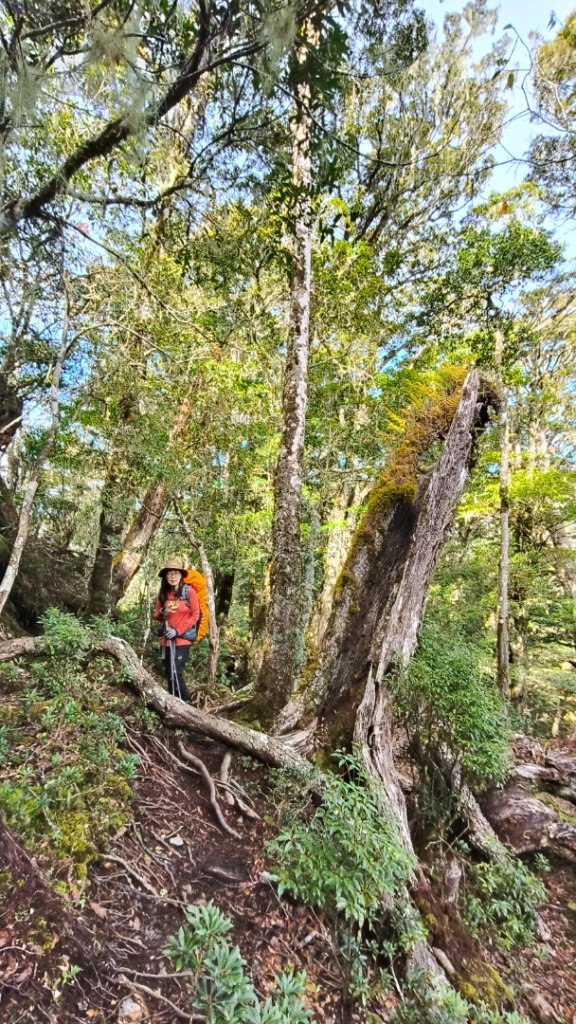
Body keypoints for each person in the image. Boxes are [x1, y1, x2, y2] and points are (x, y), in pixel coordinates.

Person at [154, 557, 200, 703]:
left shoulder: (189, 592)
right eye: (169, 573)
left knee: (176, 671)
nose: (173, 576)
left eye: (176, 573)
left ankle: (187, 705)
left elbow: (195, 615)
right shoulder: (164, 594)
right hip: (166, 640)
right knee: (169, 674)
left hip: (182, 639)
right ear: (165, 576)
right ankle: (173, 705)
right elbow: (157, 615)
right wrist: (164, 610)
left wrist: (178, 631)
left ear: (181, 575)